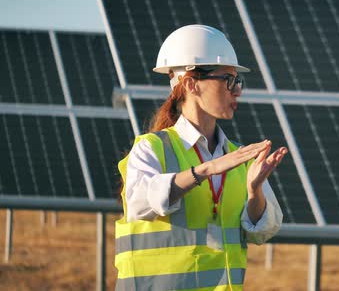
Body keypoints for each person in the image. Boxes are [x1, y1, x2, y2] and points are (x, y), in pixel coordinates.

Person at [114, 24, 288, 290]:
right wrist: (203, 171)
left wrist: (255, 192)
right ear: (191, 84)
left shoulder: (238, 157)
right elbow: (140, 202)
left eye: (238, 81)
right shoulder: (150, 149)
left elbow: (263, 230)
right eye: (228, 80)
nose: (237, 90)